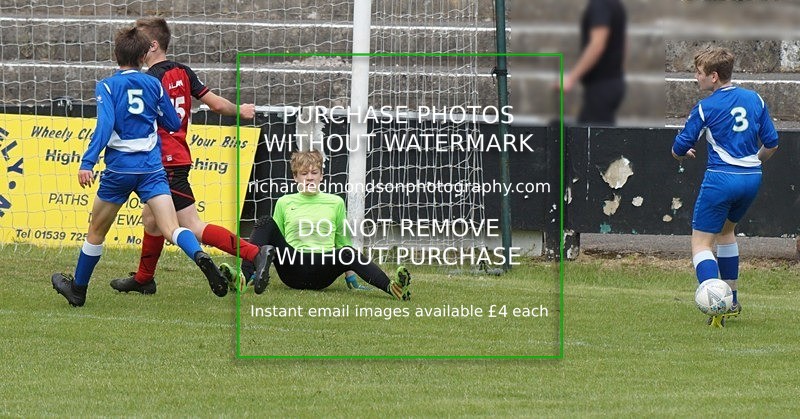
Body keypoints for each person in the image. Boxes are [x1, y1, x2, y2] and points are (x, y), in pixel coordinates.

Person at [51, 26, 229, 307]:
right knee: (172, 228)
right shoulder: (153, 84)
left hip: (120, 171)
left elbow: (105, 126)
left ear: (116, 54)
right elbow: (171, 123)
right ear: (144, 54)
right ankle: (200, 256)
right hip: (152, 170)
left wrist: (88, 162)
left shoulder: (107, 86)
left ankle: (78, 289)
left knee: (97, 230)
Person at [108, 16, 273, 295]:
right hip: (179, 156)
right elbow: (217, 105)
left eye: (139, 41)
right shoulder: (184, 71)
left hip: (161, 160)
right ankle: (144, 278)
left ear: (153, 45)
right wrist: (240, 110)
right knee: (151, 219)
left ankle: (253, 253)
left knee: (191, 226)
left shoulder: (149, 81)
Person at [671, 47, 779, 327]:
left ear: (714, 77)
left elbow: (680, 147)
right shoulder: (754, 98)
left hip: (721, 179)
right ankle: (731, 298)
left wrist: (682, 152)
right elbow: (772, 143)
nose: (696, 78)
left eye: (699, 73)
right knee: (727, 232)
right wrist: (752, 164)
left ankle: (715, 301)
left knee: (700, 243)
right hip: (751, 177)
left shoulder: (706, 107)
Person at [240, 149, 411, 299]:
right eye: (304, 173)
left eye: (314, 173)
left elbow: (343, 243)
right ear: (295, 177)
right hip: (292, 266)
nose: (310, 178)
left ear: (321, 176)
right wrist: (257, 269)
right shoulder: (284, 202)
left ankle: (392, 288)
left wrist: (351, 278)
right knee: (265, 223)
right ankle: (244, 276)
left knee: (347, 251)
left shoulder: (335, 202)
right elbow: (272, 240)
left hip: (322, 269)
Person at [562, 0, 626, 126]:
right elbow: (624, 44)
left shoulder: (600, 4)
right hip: (611, 84)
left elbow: (597, 45)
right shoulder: (614, 4)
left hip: (601, 87)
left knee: (593, 141)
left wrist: (570, 78)